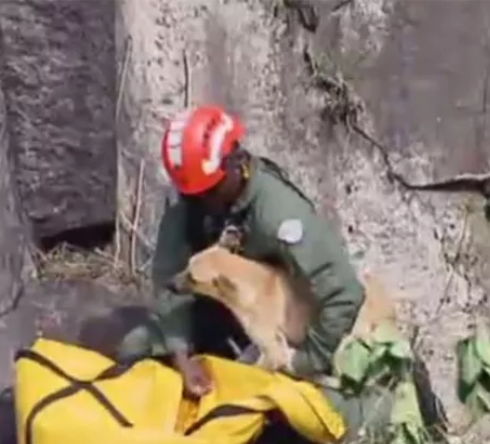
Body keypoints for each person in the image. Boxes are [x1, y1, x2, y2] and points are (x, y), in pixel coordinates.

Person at [119, 104, 365, 399]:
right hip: (219, 310)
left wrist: (306, 361)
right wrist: (182, 359)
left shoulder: (277, 214)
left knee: (316, 408)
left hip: (280, 330)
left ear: (234, 163)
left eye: (210, 190)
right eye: (194, 194)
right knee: (136, 348)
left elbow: (344, 293)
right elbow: (170, 280)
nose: (202, 201)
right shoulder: (194, 203)